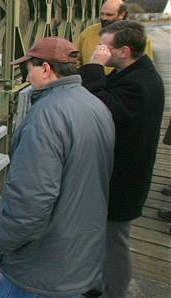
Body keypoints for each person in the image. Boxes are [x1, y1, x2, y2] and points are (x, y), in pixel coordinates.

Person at [0, 37, 115, 297]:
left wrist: (1, 238)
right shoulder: (96, 106)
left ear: (46, 69)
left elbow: (31, 201)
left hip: (40, 270)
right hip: (81, 256)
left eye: (30, 70)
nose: (26, 79)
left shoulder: (45, 118)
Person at [79, 20, 165, 298]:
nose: (100, 49)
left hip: (125, 178)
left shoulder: (141, 83)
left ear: (125, 50)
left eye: (105, 46)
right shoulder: (134, 73)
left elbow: (100, 107)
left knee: (115, 241)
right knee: (105, 236)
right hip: (119, 172)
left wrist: (93, 67)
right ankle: (98, 285)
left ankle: (114, 292)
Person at [76, 0, 153, 73]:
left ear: (122, 15)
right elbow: (75, 59)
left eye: (109, 15)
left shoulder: (137, 37)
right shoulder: (88, 32)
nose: (103, 18)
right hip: (90, 82)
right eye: (102, 14)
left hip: (123, 83)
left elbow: (145, 68)